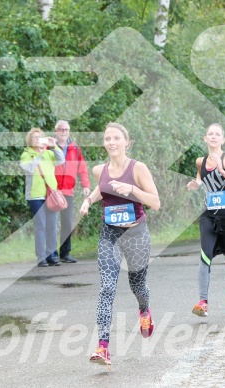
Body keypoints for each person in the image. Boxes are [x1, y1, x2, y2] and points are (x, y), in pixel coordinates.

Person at [79, 122, 160, 366]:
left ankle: (144, 310)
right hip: (109, 234)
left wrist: (133, 190)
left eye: (116, 138)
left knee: (137, 285)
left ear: (126, 141)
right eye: (107, 139)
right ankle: (103, 346)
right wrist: (88, 201)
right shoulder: (98, 170)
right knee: (106, 288)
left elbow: (156, 202)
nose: (111, 142)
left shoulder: (138, 168)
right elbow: (102, 189)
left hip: (136, 234)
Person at [186, 123, 225, 318]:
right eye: (210, 134)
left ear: (223, 139)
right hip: (208, 215)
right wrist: (196, 184)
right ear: (205, 138)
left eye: (217, 134)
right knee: (205, 254)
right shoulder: (199, 161)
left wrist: (222, 169)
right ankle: (203, 301)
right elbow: (201, 179)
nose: (213, 136)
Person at [20, 128, 65, 267]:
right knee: (41, 226)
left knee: (52, 227)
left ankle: (51, 254)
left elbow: (61, 160)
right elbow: (29, 169)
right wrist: (38, 154)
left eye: (40, 137)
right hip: (35, 196)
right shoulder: (26, 154)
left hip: (51, 194)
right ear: (30, 141)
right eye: (35, 138)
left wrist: (54, 146)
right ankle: (41, 257)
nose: (38, 140)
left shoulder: (49, 153)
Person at [53, 120, 91, 263]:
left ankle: (65, 253)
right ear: (56, 131)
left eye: (66, 129)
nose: (63, 132)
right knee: (51, 224)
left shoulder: (74, 147)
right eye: (61, 129)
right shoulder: (50, 146)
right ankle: (50, 254)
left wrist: (85, 184)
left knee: (67, 223)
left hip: (68, 191)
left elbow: (82, 167)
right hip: (53, 191)